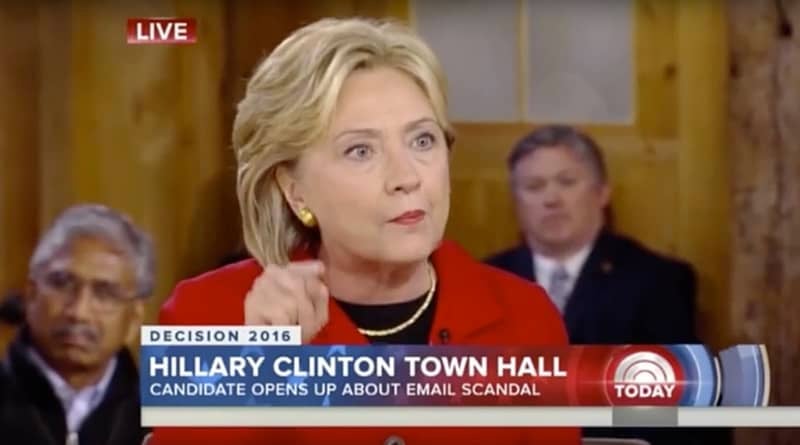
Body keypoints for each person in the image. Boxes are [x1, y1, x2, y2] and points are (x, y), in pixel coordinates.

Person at [149, 17, 579, 445]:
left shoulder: (526, 317)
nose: (406, 177)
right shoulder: (204, 315)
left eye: (422, 141)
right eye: (360, 151)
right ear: (294, 190)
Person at [486, 125, 731, 445]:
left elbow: (690, 407)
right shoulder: (482, 282)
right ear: (516, 201)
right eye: (534, 186)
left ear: (602, 192)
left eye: (567, 182)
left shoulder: (656, 281)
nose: (551, 199)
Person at [0, 204, 154, 445]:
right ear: (31, 295)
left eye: (104, 293)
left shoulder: (167, 415)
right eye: (62, 283)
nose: (79, 312)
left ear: (134, 318)